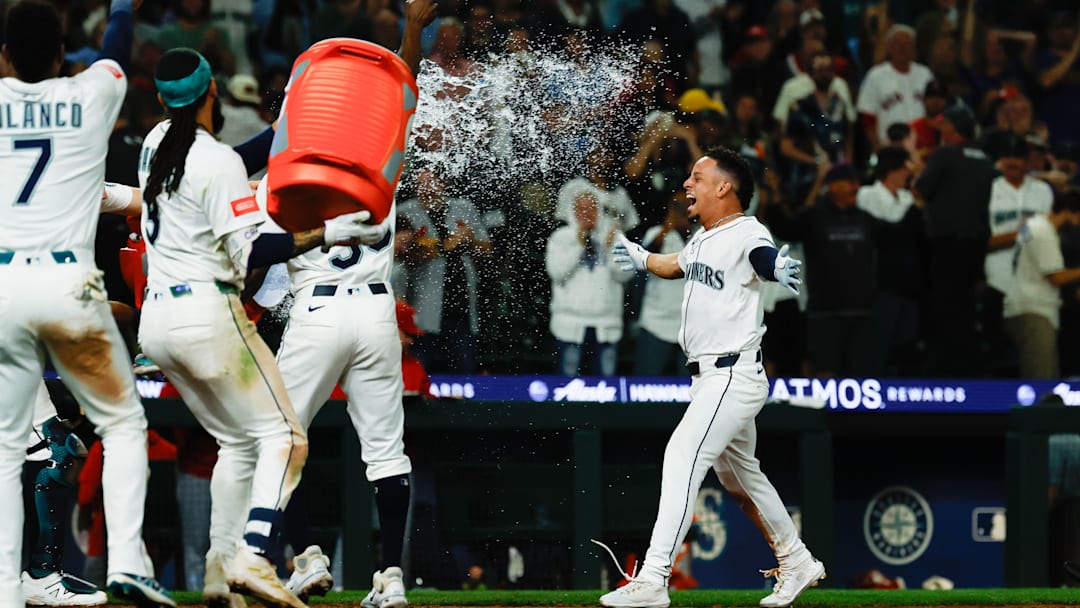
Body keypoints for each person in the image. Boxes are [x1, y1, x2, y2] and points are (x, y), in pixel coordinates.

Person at [135, 47, 377, 607]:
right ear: (212, 91)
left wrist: (290, 118)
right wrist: (328, 232)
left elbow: (236, 159)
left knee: (238, 444)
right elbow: (258, 248)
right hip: (207, 315)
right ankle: (255, 554)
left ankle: (220, 573)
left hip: (157, 325)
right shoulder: (212, 158)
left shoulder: (155, 144)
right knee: (286, 437)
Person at [0, 0, 174, 604]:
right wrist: (123, 5)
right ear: (61, 55)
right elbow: (116, 49)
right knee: (122, 425)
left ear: (3, 56)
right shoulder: (87, 100)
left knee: (33, 447)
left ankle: (25, 584)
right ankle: (126, 560)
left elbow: (111, 195)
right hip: (66, 287)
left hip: (3, 292)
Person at [601, 147, 822, 608]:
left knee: (682, 454)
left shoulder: (747, 230)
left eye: (697, 178)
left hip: (731, 373)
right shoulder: (705, 237)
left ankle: (655, 577)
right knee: (744, 484)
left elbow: (762, 257)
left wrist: (776, 268)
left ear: (725, 186)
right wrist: (641, 257)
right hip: (709, 378)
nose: (687, 185)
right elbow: (674, 265)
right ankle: (798, 560)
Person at [277, 2, 436, 603]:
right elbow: (397, 93)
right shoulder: (376, 161)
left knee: (275, 439)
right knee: (386, 453)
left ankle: (308, 559)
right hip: (374, 311)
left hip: (316, 310)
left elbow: (261, 251)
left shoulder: (279, 171)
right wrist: (415, 27)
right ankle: (391, 579)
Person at [913, 104, 995, 377]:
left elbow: (922, 189)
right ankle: (971, 367)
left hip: (947, 244)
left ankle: (947, 371)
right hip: (977, 244)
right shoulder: (984, 158)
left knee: (946, 306)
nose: (942, 129)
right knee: (967, 306)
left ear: (954, 128)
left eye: (944, 124)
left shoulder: (945, 154)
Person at [546, 192, 632, 376]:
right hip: (569, 325)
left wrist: (609, 250)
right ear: (572, 211)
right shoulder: (560, 237)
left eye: (592, 208)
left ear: (600, 211)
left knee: (605, 390)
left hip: (606, 324)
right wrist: (578, 246)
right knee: (566, 391)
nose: (587, 213)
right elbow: (556, 273)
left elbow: (626, 275)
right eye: (581, 208)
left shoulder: (615, 237)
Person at [1002, 191, 1080, 378]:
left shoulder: (1036, 224)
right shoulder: (1043, 231)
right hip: (1033, 311)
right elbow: (1055, 277)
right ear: (1070, 212)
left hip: (1028, 307)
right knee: (1041, 379)